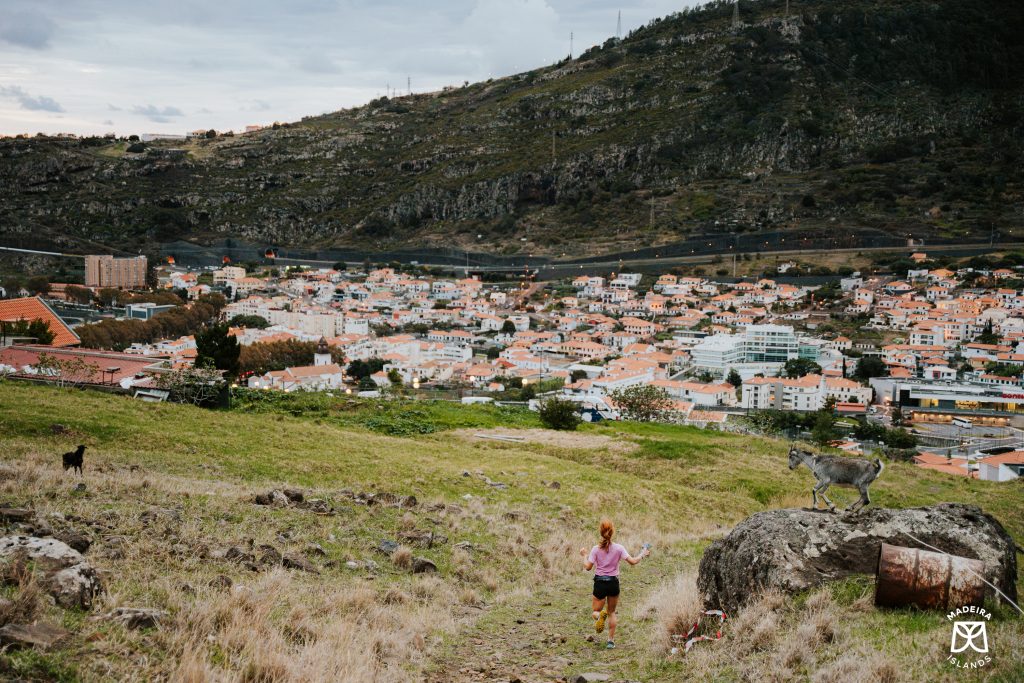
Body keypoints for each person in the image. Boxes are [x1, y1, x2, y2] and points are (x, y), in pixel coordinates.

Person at [579, 519, 650, 649]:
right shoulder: (619, 548)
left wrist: (584, 555)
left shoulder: (595, 549)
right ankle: (610, 641)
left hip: (600, 583)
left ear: (601, 532)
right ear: (612, 532)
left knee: (595, 611)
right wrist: (643, 554)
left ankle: (599, 616)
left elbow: (588, 567)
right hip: (613, 583)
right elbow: (633, 562)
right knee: (611, 612)